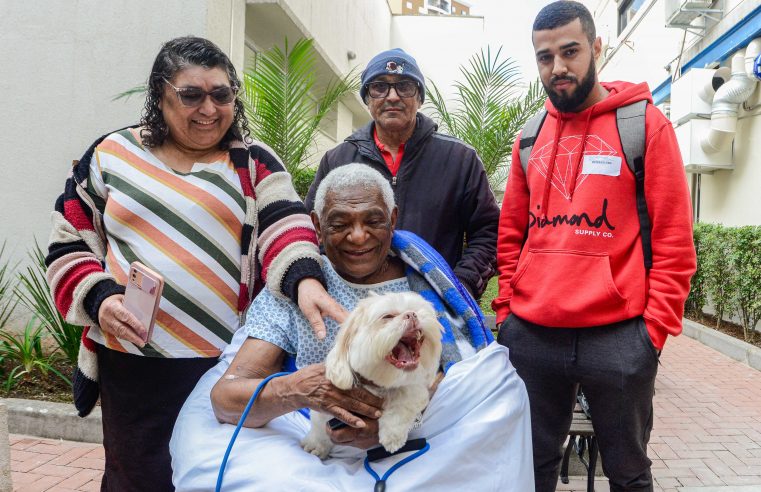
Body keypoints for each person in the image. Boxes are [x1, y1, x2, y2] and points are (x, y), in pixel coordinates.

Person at [45, 36, 345, 491]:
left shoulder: (253, 163)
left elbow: (288, 225)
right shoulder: (111, 155)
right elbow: (68, 243)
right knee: (135, 477)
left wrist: (304, 280)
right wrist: (102, 299)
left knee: (208, 476)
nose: (209, 108)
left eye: (221, 94)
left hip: (222, 367)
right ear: (160, 95)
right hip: (131, 361)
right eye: (191, 95)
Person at [170, 164, 534, 491]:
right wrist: (297, 390)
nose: (358, 236)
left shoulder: (424, 286)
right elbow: (225, 400)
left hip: (416, 444)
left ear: (393, 219)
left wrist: (408, 416)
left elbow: (462, 377)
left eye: (373, 221)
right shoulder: (299, 287)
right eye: (340, 223)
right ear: (317, 225)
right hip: (313, 442)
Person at [492, 2, 696, 491]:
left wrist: (652, 333)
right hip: (534, 335)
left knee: (627, 472)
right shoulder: (531, 136)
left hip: (619, 337)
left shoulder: (644, 125)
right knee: (530, 466)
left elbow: (674, 241)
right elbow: (511, 234)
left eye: (570, 51)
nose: (558, 67)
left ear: (596, 48)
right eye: (545, 57)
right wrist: (507, 315)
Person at [304, 48, 499, 299]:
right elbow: (310, 230)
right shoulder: (337, 159)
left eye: (404, 86)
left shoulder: (460, 159)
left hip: (436, 305)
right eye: (379, 87)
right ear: (367, 98)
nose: (392, 96)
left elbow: (489, 232)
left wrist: (459, 286)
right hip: (353, 304)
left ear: (419, 97)